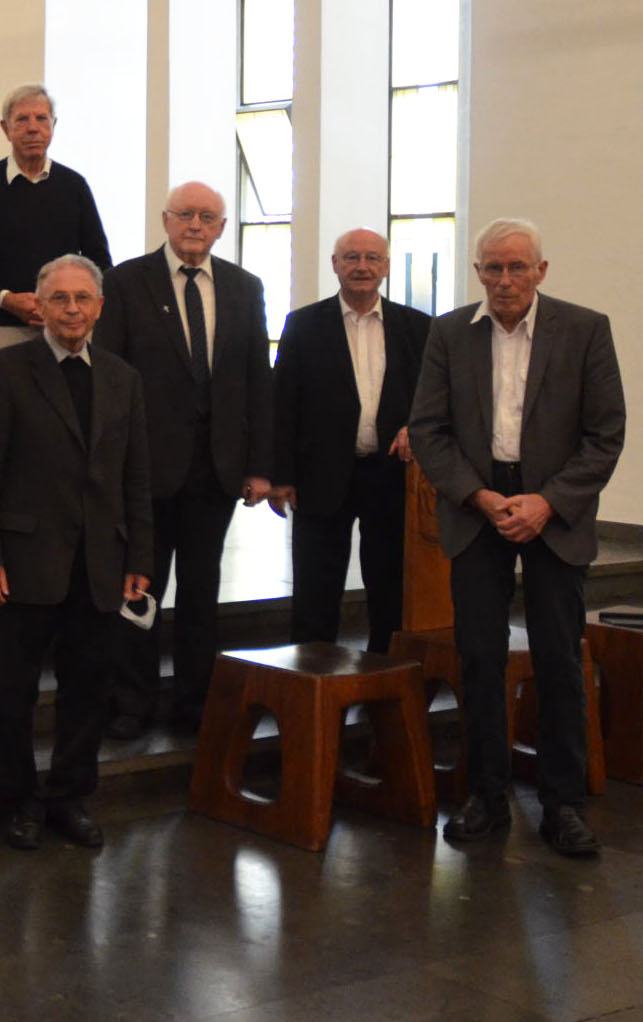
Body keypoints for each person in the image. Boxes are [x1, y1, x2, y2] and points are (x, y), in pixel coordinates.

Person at [409, 218, 624, 857]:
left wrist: (548, 502)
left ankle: (562, 806)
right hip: (478, 506)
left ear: (541, 271)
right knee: (480, 658)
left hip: (553, 510)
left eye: (518, 267)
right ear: (478, 272)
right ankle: (486, 797)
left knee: (559, 660)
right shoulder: (449, 333)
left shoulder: (585, 329)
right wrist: (478, 495)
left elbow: (605, 433)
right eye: (493, 268)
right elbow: (429, 429)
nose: (505, 280)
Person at [0, 254, 151, 850]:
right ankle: (15, 800)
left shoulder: (123, 377)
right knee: (17, 692)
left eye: (83, 299)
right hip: (23, 561)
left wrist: (139, 560)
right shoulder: (7, 371)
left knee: (88, 689)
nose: (72, 309)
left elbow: (135, 478)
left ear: (99, 307)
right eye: (60, 299)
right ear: (39, 307)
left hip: (100, 562)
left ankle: (69, 796)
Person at [93, 181, 271, 738]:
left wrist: (260, 465)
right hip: (145, 467)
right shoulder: (125, 281)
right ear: (166, 222)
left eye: (208, 217)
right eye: (186, 215)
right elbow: (109, 375)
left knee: (202, 592)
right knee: (140, 587)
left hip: (215, 469)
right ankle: (132, 702)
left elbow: (256, 382)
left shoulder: (245, 287)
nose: (196, 225)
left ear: (221, 227)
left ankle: (196, 701)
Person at [268, 228, 432, 652]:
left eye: (372, 258)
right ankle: (310, 683)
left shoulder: (417, 327)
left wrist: (417, 424)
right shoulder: (303, 325)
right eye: (352, 257)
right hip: (320, 474)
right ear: (335, 264)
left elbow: (435, 396)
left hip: (391, 475)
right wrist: (280, 476)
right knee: (315, 590)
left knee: (390, 588)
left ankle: (388, 680)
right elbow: (283, 402)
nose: (362, 266)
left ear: (387, 266)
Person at [0, 84, 112, 368]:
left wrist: (67, 304)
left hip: (65, 329)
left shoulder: (74, 186)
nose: (33, 128)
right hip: (2, 327)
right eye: (22, 119)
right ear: (5, 128)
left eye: (41, 119)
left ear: (54, 125)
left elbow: (100, 263)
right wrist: (6, 300)